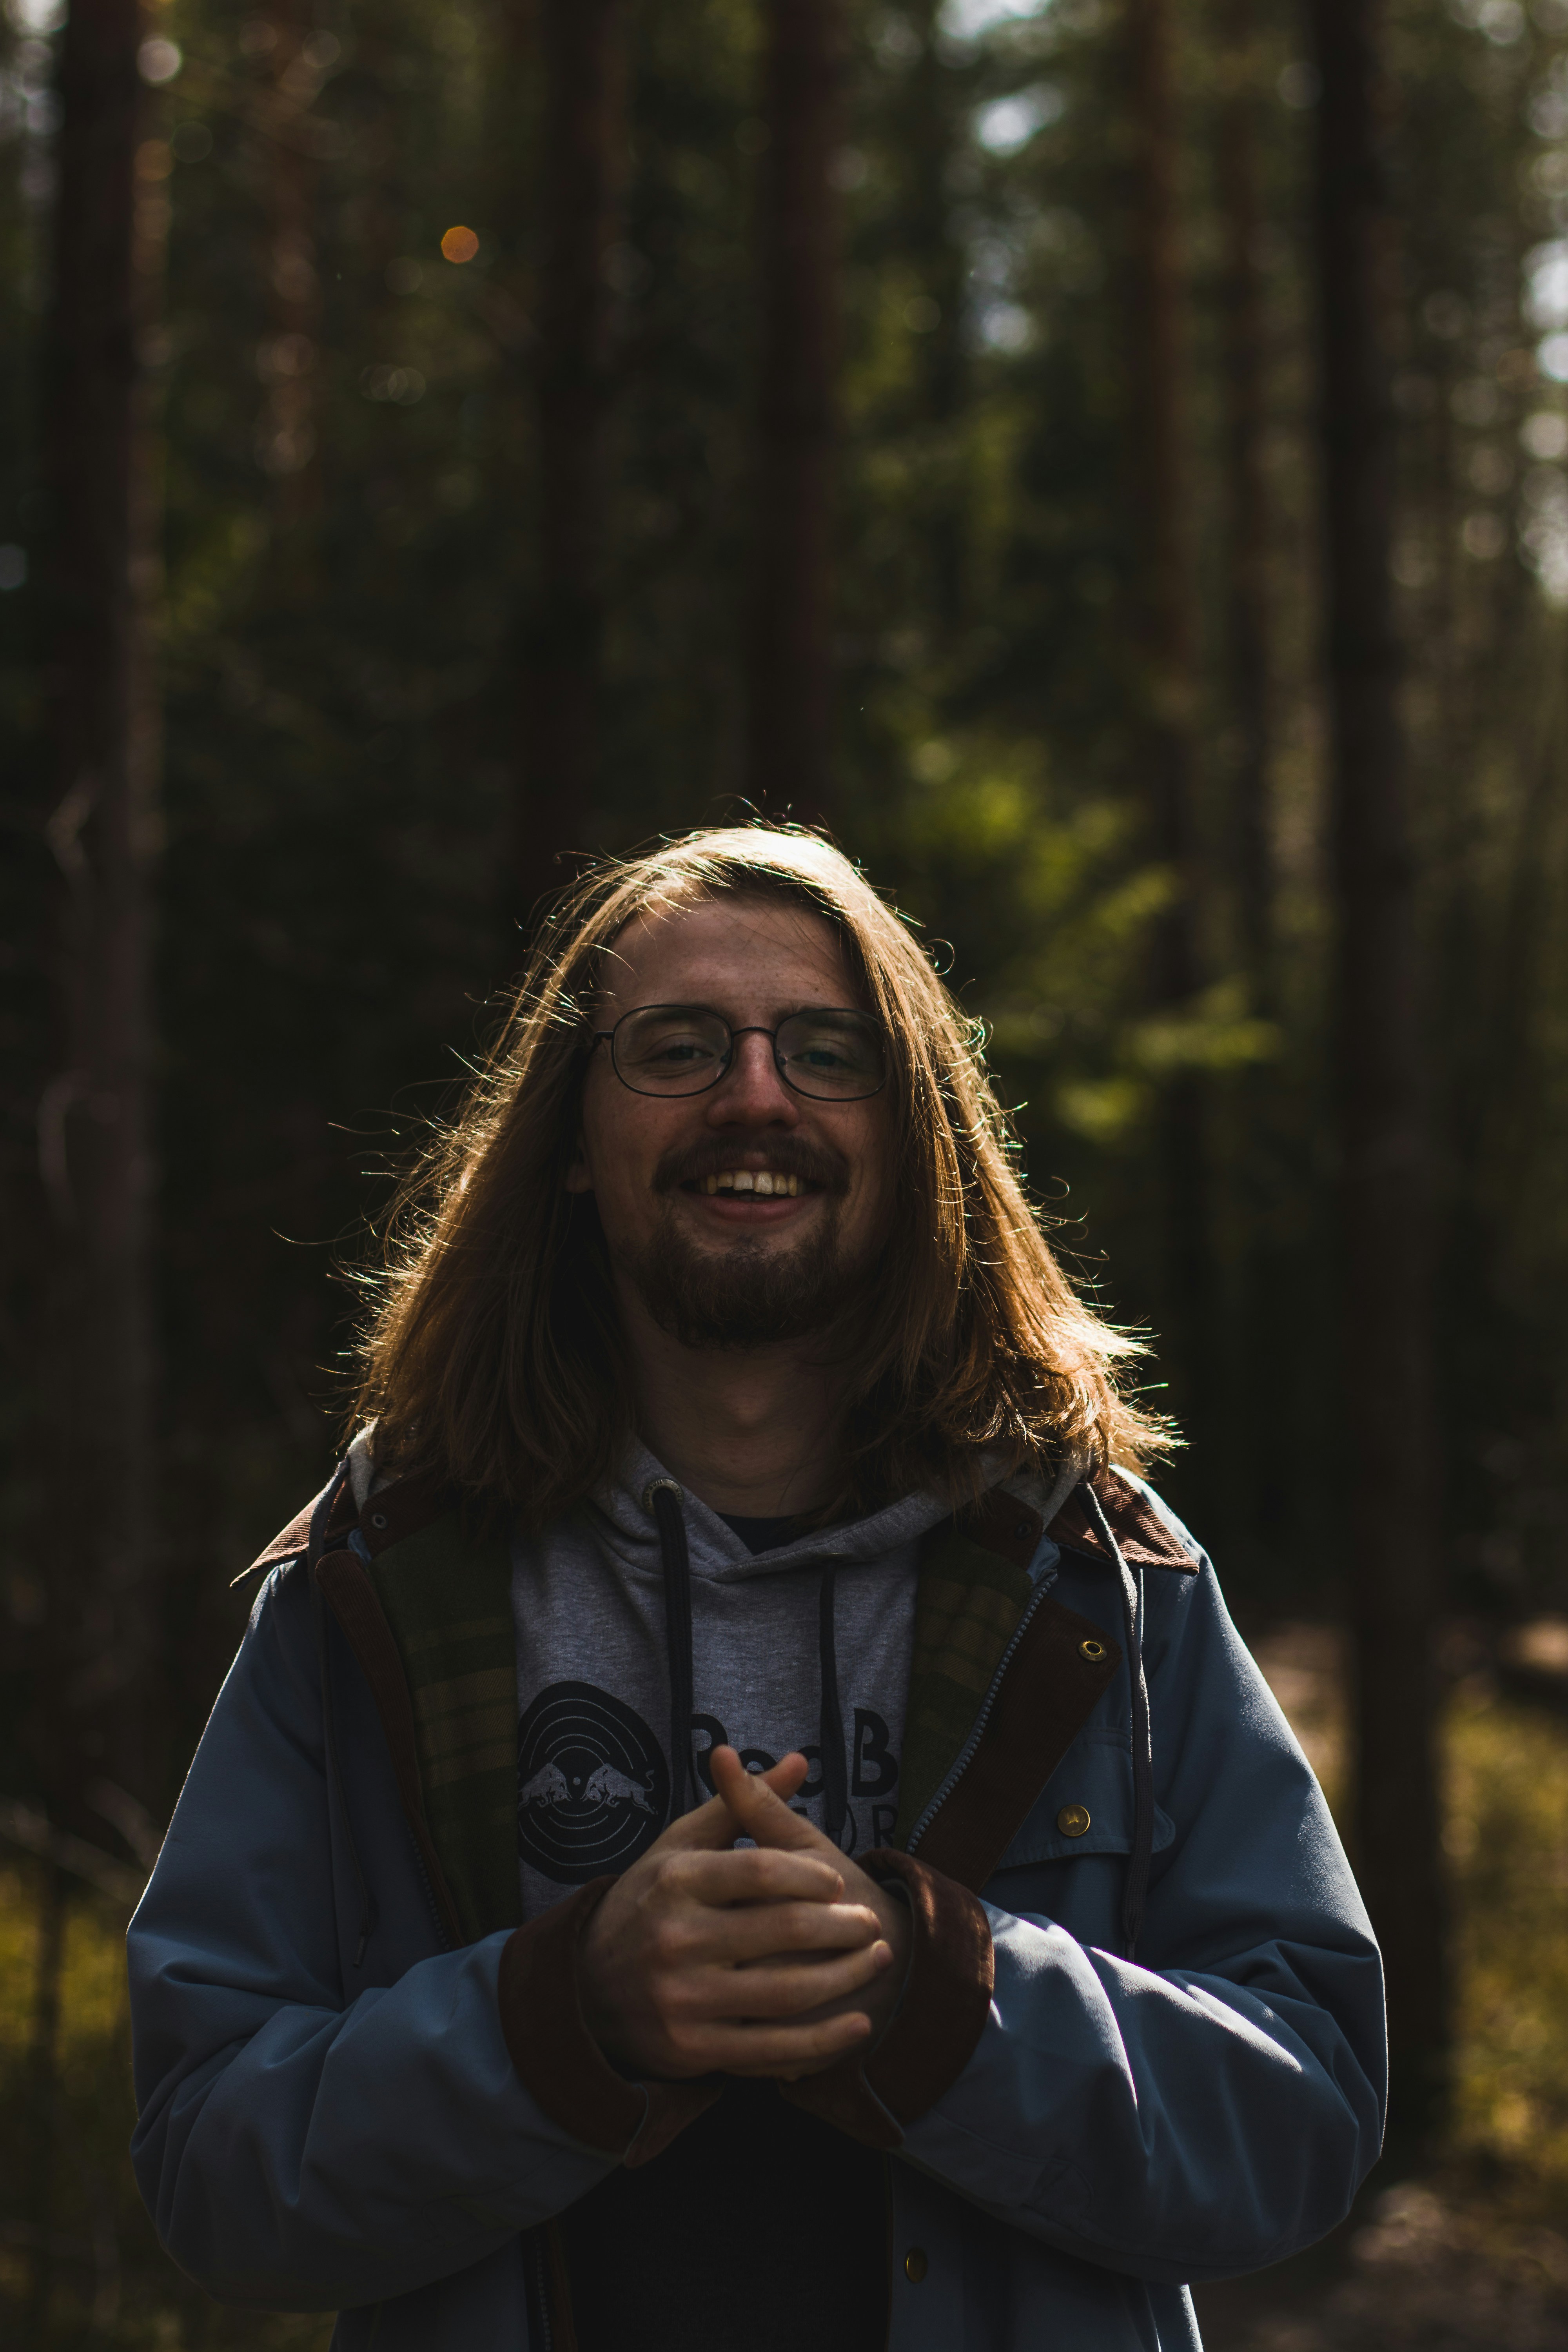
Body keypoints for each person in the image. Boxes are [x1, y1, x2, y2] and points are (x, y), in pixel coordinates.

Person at [128, 827, 1385, 2352]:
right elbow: (208, 2165)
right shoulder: (380, 1583)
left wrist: (935, 1999)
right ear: (573, 1145)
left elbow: (1305, 2108)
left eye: (826, 1050)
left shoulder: (1097, 1574)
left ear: (916, 1131)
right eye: (676, 1046)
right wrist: (562, 2018)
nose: (755, 1094)